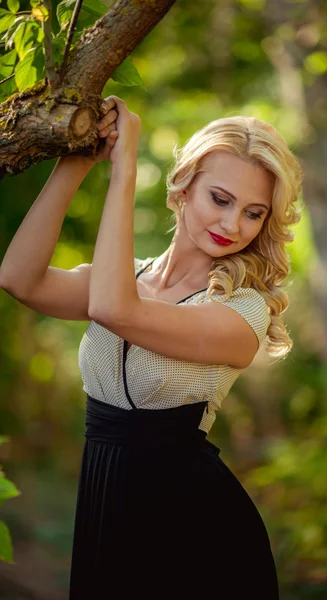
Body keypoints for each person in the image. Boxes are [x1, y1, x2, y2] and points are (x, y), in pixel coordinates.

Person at [0, 95, 303, 598]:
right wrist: (75, 161)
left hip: (196, 528)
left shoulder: (244, 312)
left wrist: (125, 167)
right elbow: (18, 279)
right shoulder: (128, 279)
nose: (232, 225)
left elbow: (115, 311)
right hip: (103, 506)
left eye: (253, 213)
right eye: (220, 199)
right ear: (183, 187)